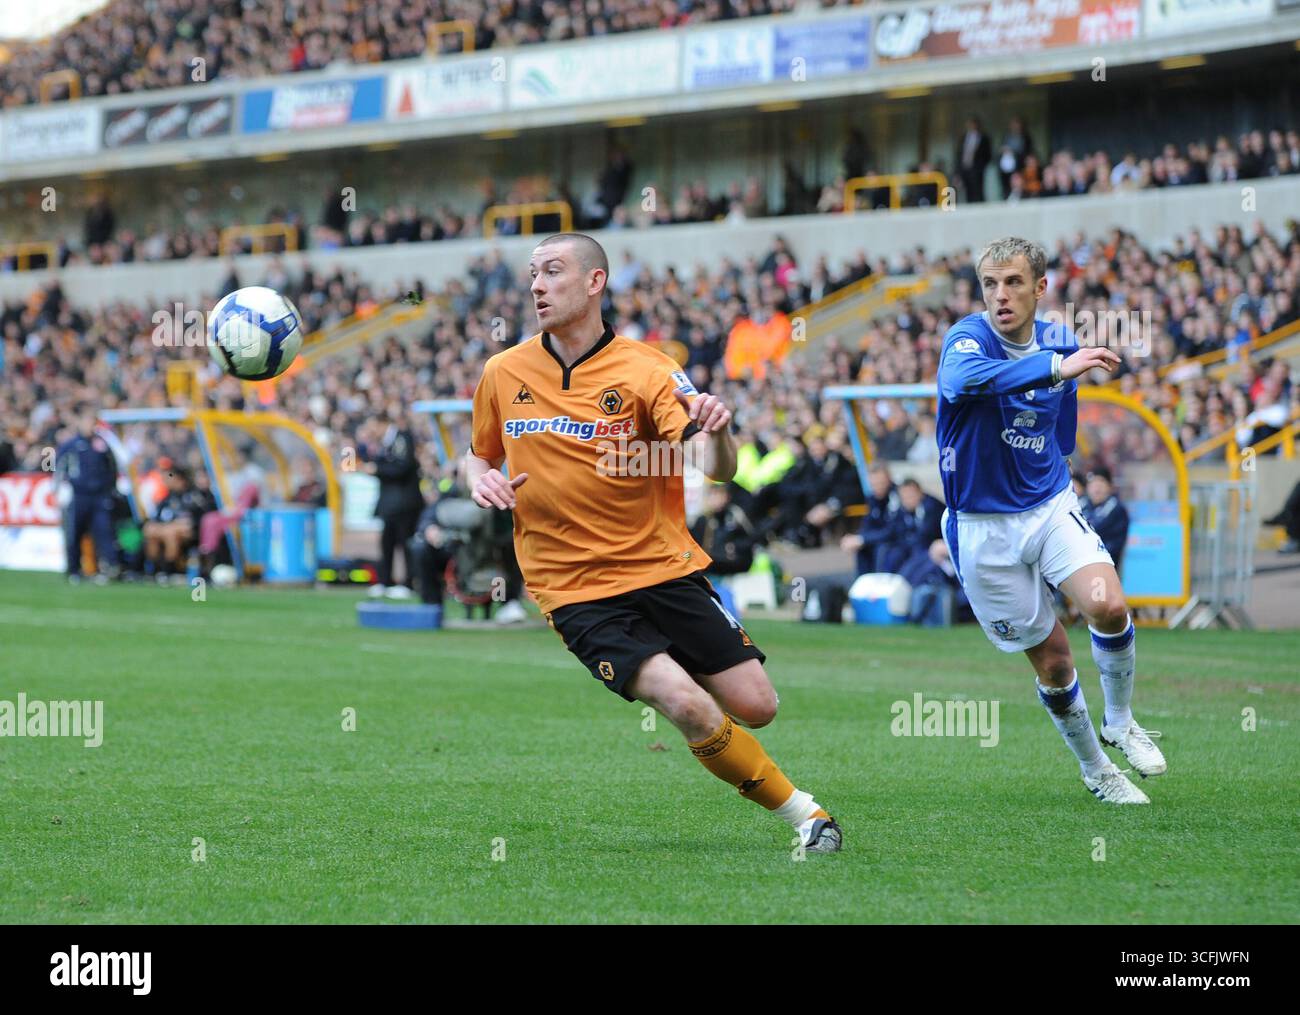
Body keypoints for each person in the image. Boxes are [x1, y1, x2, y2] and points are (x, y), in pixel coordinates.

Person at [464, 232, 841, 853]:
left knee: (758, 704)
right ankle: (808, 818)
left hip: (663, 567)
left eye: (552, 272)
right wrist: (485, 484)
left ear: (594, 283)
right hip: (574, 587)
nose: (535, 285)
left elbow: (716, 466)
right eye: (532, 274)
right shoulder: (503, 372)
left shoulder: (649, 369)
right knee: (685, 705)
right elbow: (478, 458)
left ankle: (677, 667)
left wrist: (719, 433)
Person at [936, 236, 1166, 805]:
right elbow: (962, 384)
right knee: (1055, 660)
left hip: (1047, 505)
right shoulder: (967, 339)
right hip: (982, 528)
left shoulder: (1059, 337)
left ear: (1040, 288)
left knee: (1108, 605)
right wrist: (1058, 368)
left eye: (1013, 282)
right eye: (990, 284)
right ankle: (1096, 771)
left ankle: (1120, 720)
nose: (1000, 295)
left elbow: (1062, 424)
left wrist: (1061, 377)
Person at [55, 409, 121, 583]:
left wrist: (111, 489)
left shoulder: (102, 444)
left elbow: (112, 467)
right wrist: (59, 489)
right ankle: (74, 570)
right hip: (78, 495)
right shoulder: (71, 445)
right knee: (74, 533)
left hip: (100, 496)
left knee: (104, 531)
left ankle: (109, 568)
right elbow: (58, 468)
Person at [366, 411, 422, 599]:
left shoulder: (402, 438)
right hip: (389, 504)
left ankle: (408, 583)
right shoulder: (383, 444)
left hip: (405, 503)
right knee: (387, 543)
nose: (371, 431)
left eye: (373, 426)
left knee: (405, 543)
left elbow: (403, 467)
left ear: (383, 424)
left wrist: (377, 469)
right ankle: (385, 582)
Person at [1082, 466, 1130, 570]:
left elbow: (1113, 545)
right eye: (1093, 483)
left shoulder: (1117, 509)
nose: (1097, 487)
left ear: (1110, 486)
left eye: (1101, 482)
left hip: (1104, 567)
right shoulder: (1080, 505)